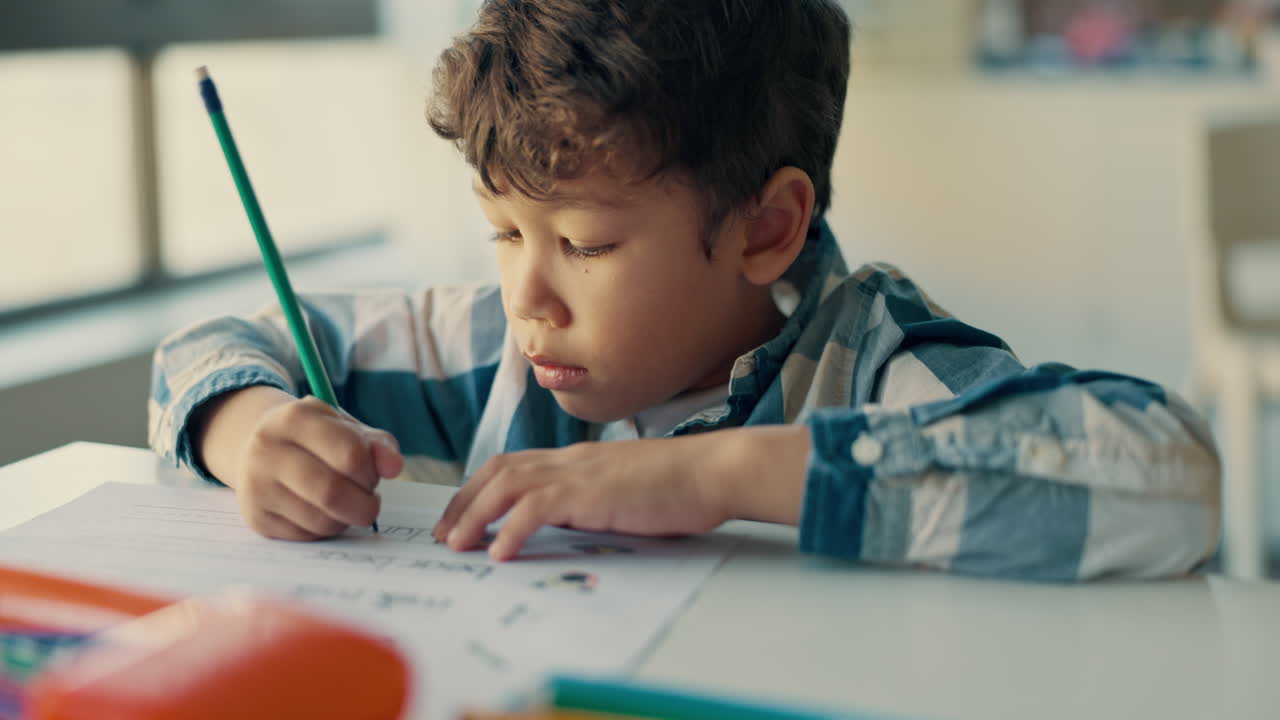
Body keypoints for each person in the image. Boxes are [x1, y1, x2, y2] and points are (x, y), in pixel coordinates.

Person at [148, 0, 1220, 581]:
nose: (528, 298)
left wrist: (710, 476)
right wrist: (249, 433)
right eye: (504, 232)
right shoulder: (490, 348)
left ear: (766, 227)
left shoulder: (871, 362)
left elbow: (1167, 479)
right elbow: (210, 346)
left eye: (584, 244)